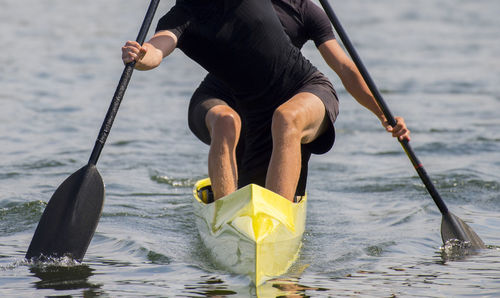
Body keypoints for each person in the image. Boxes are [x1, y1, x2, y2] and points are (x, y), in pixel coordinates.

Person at [122, 0, 410, 202]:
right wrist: (141, 55)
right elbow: (157, 48)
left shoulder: (305, 10)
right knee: (228, 123)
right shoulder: (180, 16)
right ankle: (228, 217)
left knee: (286, 118)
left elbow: (345, 68)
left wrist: (383, 114)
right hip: (246, 102)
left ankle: (276, 220)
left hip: (304, 88)